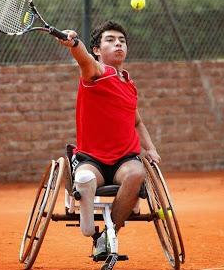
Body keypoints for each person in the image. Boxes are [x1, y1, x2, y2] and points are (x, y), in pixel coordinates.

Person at [57, 20, 161, 256]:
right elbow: (83, 58)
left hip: (124, 160)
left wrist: (151, 149)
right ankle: (87, 225)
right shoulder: (96, 72)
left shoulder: (128, 83)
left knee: (136, 174)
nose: (118, 45)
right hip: (91, 159)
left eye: (122, 41)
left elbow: (137, 122)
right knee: (84, 177)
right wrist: (74, 43)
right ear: (97, 49)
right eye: (111, 40)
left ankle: (108, 234)